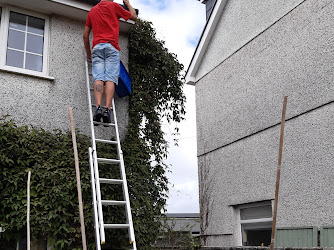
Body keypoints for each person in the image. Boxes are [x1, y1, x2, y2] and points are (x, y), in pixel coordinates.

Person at [83, 0, 137, 124]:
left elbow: (85, 35)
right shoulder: (114, 6)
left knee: (98, 78)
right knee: (110, 79)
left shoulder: (92, 11)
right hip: (111, 48)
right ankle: (107, 110)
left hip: (97, 48)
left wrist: (89, 54)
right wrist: (127, 4)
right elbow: (134, 17)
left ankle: (97, 108)